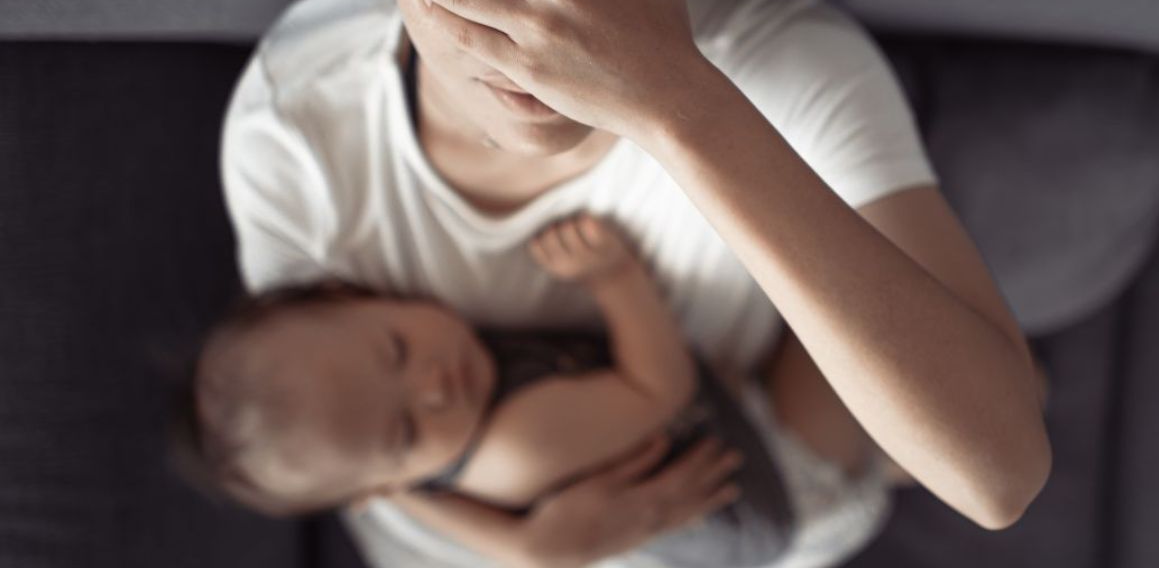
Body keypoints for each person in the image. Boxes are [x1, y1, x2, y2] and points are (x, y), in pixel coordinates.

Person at [220, 0, 1052, 565]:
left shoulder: (778, 65)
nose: (540, 26)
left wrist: (675, 102)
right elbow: (333, 444)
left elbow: (998, 479)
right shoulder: (296, 128)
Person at [178, 212, 796, 567]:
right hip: (769, 488)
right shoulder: (516, 448)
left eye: (396, 350)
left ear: (354, 295)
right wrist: (615, 279)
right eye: (407, 430)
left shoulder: (389, 473)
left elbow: (396, 490)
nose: (434, 389)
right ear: (390, 480)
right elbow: (660, 388)